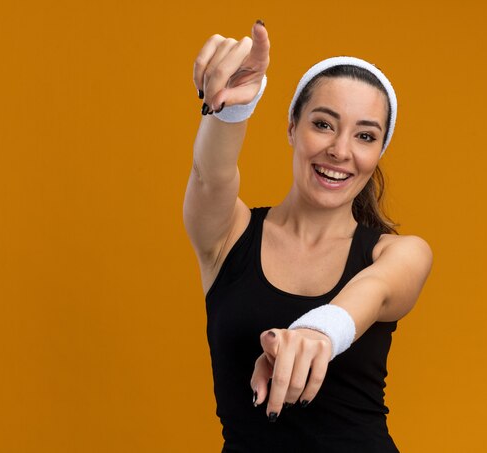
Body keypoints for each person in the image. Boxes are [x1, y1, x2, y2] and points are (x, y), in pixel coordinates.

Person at [184, 20, 433, 453]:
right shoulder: (229, 235)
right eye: (323, 124)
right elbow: (209, 179)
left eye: (365, 136)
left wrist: (319, 331)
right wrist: (231, 109)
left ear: (378, 152)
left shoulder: (399, 254)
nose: (340, 150)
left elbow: (372, 291)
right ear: (292, 128)